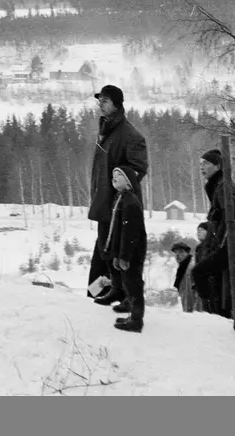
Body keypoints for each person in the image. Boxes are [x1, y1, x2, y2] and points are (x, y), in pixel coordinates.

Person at [86, 84, 149, 307]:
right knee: (107, 246)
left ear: (116, 104)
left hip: (121, 205)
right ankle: (115, 288)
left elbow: (138, 168)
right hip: (105, 201)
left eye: (105, 101)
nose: (100, 105)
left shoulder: (131, 135)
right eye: (99, 101)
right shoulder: (106, 131)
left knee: (124, 249)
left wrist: (120, 189)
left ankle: (129, 296)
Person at [191, 147, 235, 323]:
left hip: (231, 245)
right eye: (200, 163)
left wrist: (220, 245)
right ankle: (215, 312)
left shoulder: (223, 187)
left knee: (199, 272)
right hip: (230, 245)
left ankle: (210, 313)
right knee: (221, 283)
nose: (202, 167)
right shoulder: (219, 185)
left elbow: (232, 218)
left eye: (206, 163)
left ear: (217, 166)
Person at [105, 166, 147, 333]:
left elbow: (130, 233)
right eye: (113, 175)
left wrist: (124, 256)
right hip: (125, 252)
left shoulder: (130, 202)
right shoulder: (121, 199)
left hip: (132, 253)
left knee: (134, 284)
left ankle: (136, 321)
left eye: (118, 176)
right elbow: (118, 231)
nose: (114, 178)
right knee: (129, 283)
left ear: (128, 181)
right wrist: (117, 254)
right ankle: (132, 315)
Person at [171, 241, 199, 312]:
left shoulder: (191, 267)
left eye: (181, 252)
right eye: (176, 252)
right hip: (188, 309)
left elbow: (194, 293)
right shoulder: (181, 269)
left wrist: (192, 310)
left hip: (194, 312)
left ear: (187, 253)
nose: (177, 255)